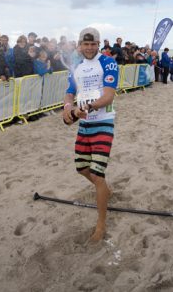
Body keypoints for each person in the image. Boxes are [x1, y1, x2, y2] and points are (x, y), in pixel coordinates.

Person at [62, 27, 118, 242]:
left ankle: (101, 225)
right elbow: (69, 92)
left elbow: (109, 96)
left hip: (104, 122)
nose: (89, 47)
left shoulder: (108, 62)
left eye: (93, 44)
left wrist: (84, 108)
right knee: (82, 168)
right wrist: (67, 108)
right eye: (85, 44)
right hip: (83, 124)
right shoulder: (75, 65)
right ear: (79, 45)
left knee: (98, 173)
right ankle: (104, 190)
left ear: (99, 44)